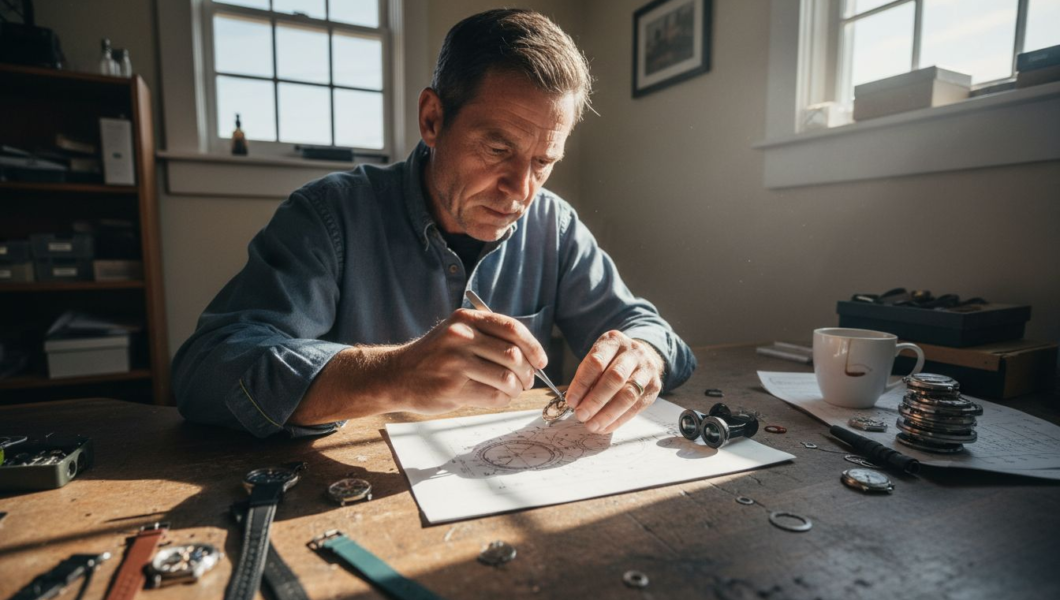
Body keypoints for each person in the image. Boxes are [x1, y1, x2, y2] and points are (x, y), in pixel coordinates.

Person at [172, 8, 696, 439]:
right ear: (432, 119)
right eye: (498, 149)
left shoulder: (552, 226)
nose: (521, 191)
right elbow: (204, 371)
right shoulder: (329, 215)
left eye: (543, 162)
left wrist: (642, 356)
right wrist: (391, 374)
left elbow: (651, 331)